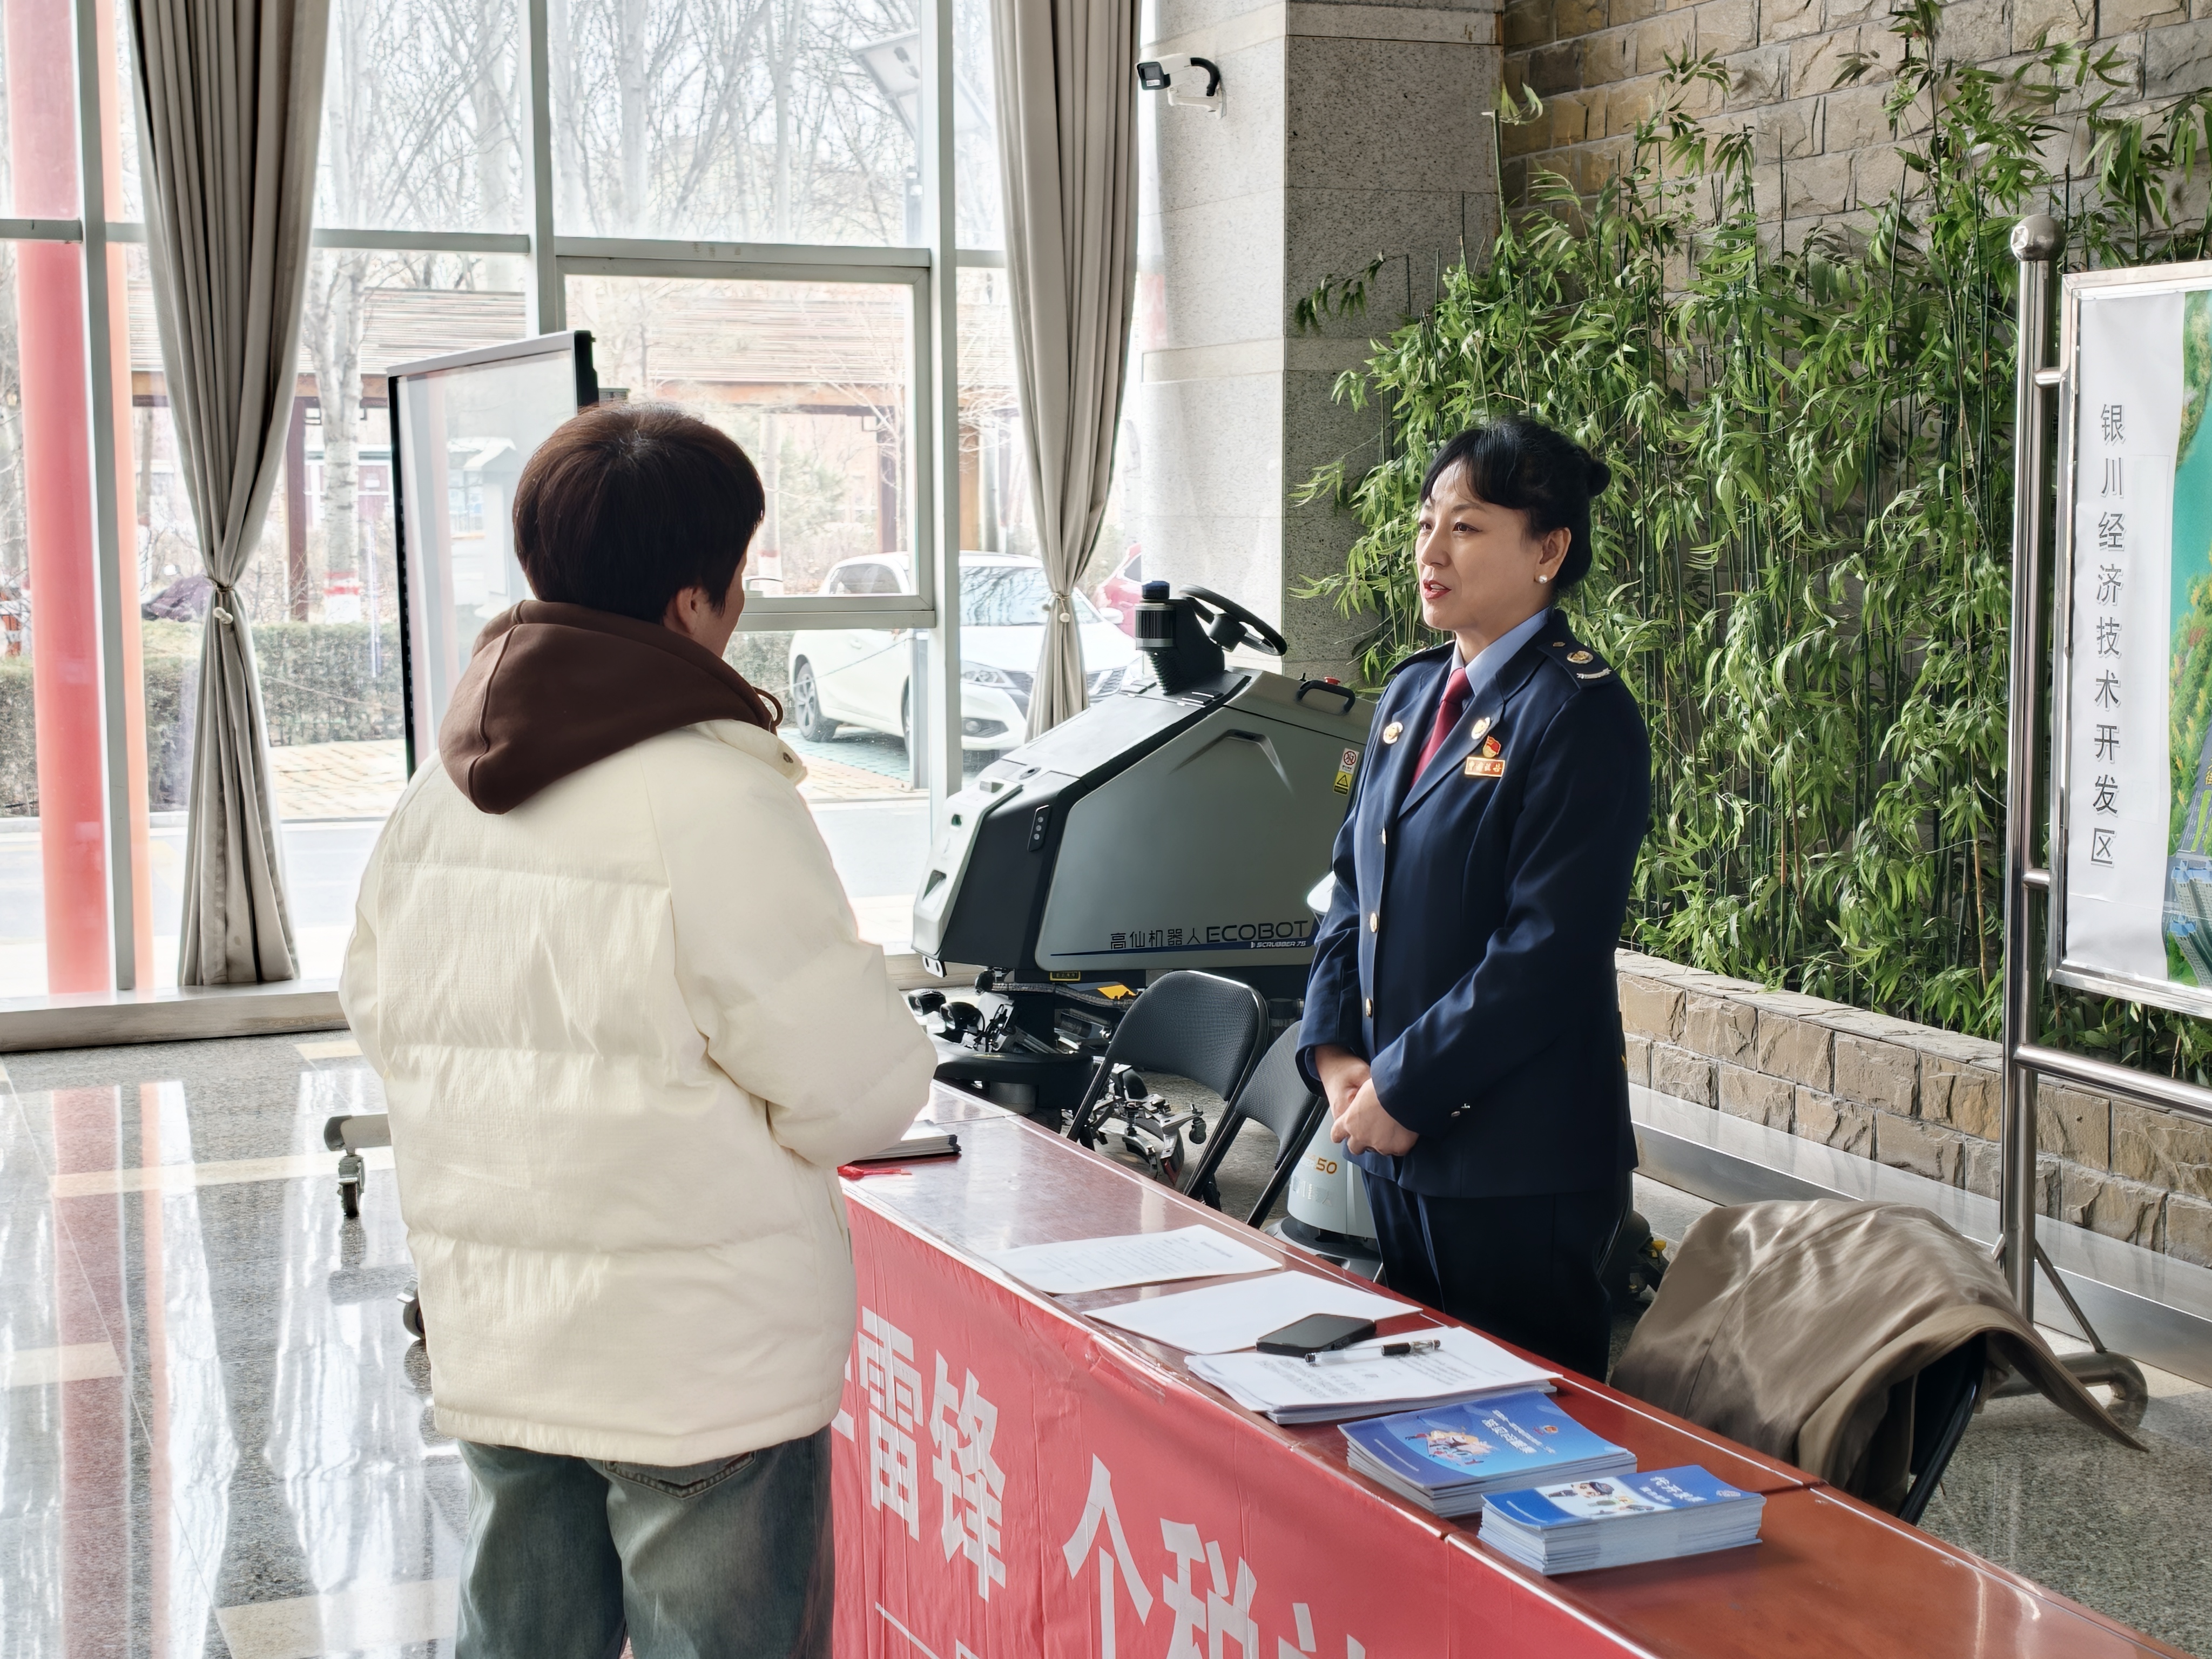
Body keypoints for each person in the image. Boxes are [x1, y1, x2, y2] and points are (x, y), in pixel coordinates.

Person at [340, 403, 935, 1659]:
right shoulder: (712, 797)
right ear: (690, 602)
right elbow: (858, 1093)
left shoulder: (437, 796)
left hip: (504, 1332)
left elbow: (384, 1016)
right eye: (738, 574)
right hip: (697, 1365)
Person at [1298, 415, 1651, 1380]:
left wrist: (1405, 1088)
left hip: (1516, 1162)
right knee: (1418, 1408)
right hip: (1391, 1136)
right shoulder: (1412, 695)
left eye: (1466, 527)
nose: (1431, 552)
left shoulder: (1578, 714)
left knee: (1522, 1421)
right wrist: (1337, 1054)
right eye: (1425, 524)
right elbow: (1350, 888)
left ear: (1548, 551)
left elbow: (1548, 951)